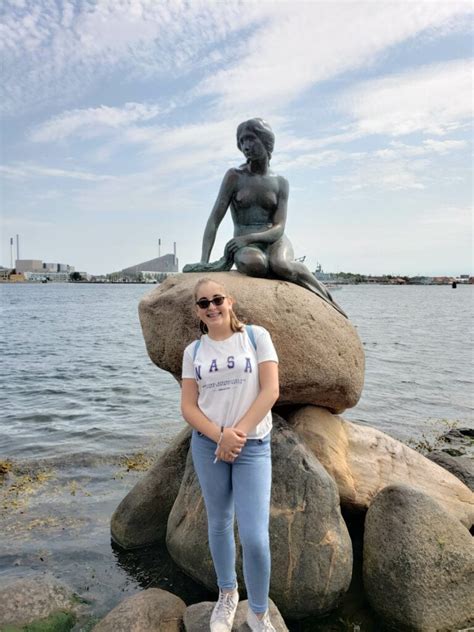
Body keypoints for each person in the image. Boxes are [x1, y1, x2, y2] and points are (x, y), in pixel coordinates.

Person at [181, 277, 279, 632]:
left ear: (230, 301)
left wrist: (235, 435)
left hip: (252, 446)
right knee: (219, 522)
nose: (211, 307)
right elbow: (189, 407)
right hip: (209, 445)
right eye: (203, 303)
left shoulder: (256, 336)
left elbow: (271, 390)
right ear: (197, 310)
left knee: (254, 535)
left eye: (217, 299)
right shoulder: (193, 352)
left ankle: (258, 612)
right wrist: (220, 436)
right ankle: (227, 594)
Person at [183, 118, 346, 318]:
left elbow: (279, 227)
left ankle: (327, 298)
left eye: (250, 139)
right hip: (244, 243)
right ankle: (284, 276)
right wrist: (204, 263)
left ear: (266, 141)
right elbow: (214, 220)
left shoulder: (280, 182)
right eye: (242, 142)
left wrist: (250, 238)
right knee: (256, 265)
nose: (245, 146)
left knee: (282, 265)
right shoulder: (234, 176)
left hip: (273, 238)